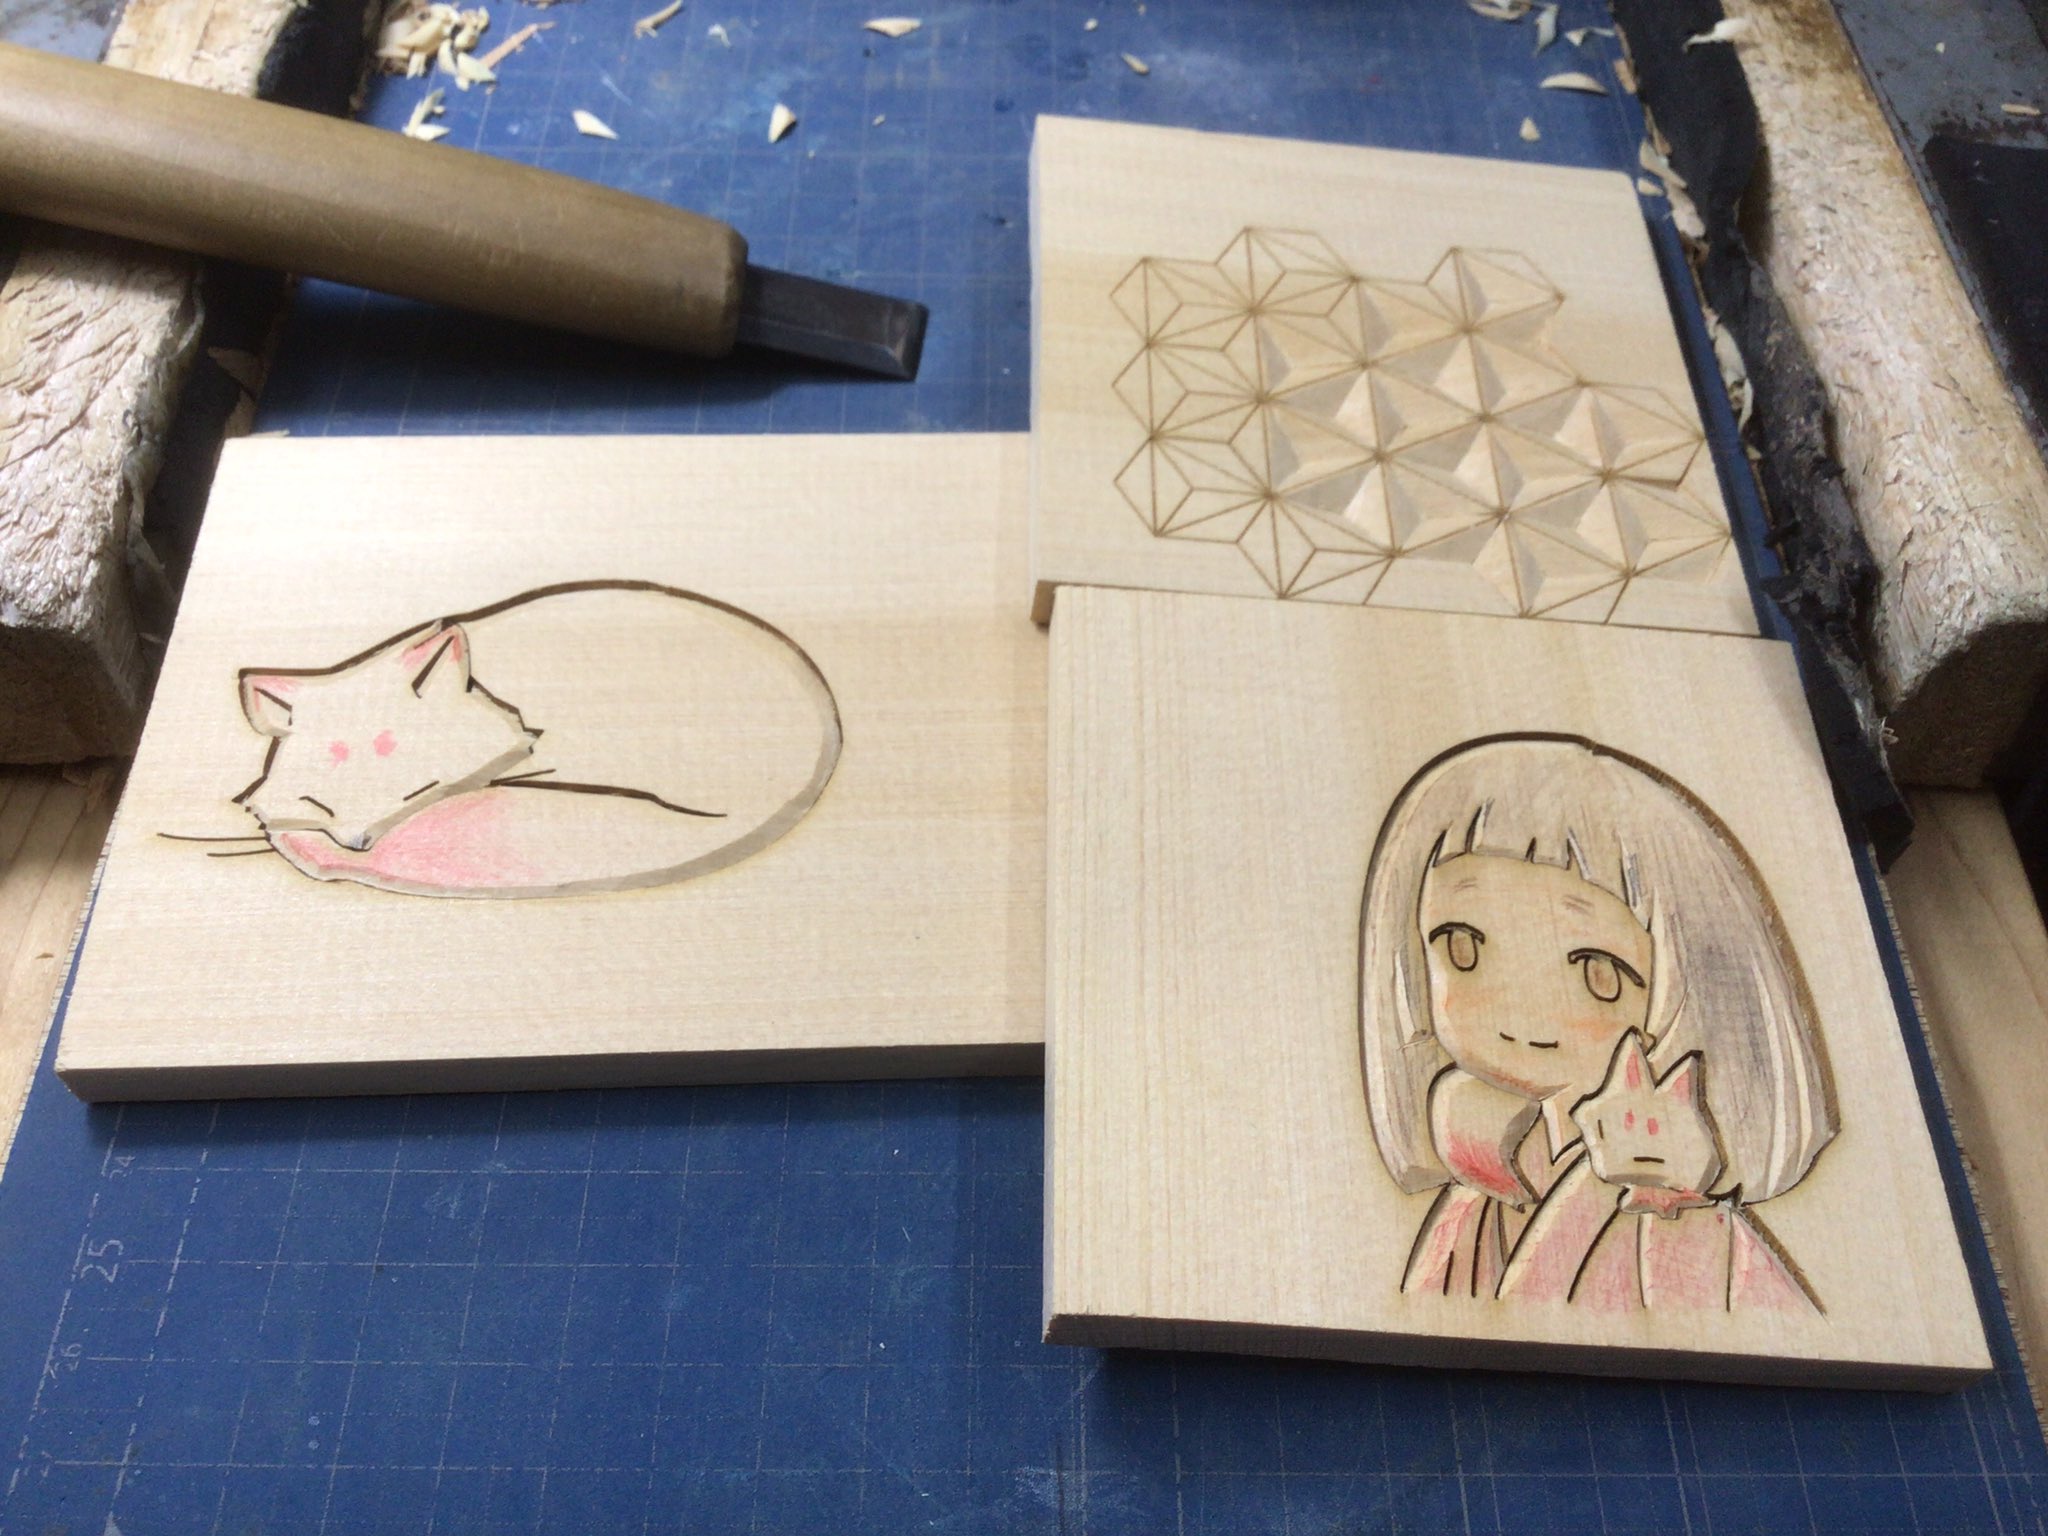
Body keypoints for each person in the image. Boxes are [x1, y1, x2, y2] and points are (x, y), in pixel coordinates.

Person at [1357, 734, 1835, 1311]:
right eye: (1463, 947)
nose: (1519, 1008)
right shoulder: (1485, 1178)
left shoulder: (1673, 1207)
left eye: (1596, 971)